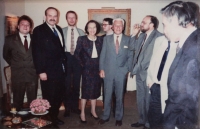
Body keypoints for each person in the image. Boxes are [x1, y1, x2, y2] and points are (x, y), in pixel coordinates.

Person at [160, 1, 200, 129]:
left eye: (164, 25)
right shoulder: (190, 41)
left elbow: (190, 99)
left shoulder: (194, 49)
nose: (164, 30)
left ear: (177, 21)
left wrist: (178, 125)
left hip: (181, 120)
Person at [32, 7, 67, 127]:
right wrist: (40, 71)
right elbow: (36, 52)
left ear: (57, 17)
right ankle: (49, 122)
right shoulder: (39, 30)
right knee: (49, 97)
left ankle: (54, 117)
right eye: (50, 15)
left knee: (58, 96)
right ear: (45, 16)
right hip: (47, 71)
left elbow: (61, 50)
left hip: (60, 70)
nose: (52, 18)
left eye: (55, 16)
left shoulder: (58, 29)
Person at [129, 15, 162, 129]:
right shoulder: (142, 35)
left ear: (152, 25)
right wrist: (134, 34)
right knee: (140, 99)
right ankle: (142, 120)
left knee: (148, 101)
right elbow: (131, 47)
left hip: (149, 74)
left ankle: (148, 124)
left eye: (144, 22)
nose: (141, 24)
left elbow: (156, 58)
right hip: (139, 72)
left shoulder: (159, 37)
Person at [98, 18, 133, 127]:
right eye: (116, 25)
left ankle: (118, 117)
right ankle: (105, 116)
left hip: (121, 73)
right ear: (112, 27)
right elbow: (102, 55)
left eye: (120, 26)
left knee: (119, 96)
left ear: (123, 27)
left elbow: (130, 56)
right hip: (108, 72)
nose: (118, 28)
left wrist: (126, 69)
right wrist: (101, 69)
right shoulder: (107, 39)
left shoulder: (128, 39)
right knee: (107, 95)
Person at [3, 15, 38, 111]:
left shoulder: (35, 38)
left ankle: (32, 121)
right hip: (18, 74)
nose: (25, 26)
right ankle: (17, 121)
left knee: (33, 101)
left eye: (28, 25)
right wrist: (16, 64)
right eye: (23, 24)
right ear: (18, 26)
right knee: (17, 100)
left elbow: (39, 55)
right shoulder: (10, 39)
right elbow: (6, 55)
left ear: (30, 27)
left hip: (32, 73)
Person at [74, 20, 103, 123]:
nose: (92, 30)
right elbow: (76, 54)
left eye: (94, 27)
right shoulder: (82, 39)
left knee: (95, 90)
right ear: (86, 29)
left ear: (97, 28)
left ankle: (93, 111)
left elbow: (103, 55)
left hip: (97, 69)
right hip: (86, 69)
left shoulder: (100, 40)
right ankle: (82, 113)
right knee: (85, 92)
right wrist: (84, 65)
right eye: (90, 27)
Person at [146, 36, 177, 129]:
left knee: (168, 117)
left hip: (170, 87)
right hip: (155, 85)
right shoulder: (159, 40)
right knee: (153, 116)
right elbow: (153, 61)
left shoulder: (181, 44)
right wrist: (150, 81)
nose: (165, 30)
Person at [62, 10, 85, 117]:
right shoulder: (61, 31)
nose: (71, 19)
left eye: (73, 17)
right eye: (69, 18)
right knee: (66, 85)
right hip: (66, 58)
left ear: (76, 19)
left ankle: (75, 107)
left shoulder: (81, 32)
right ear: (66, 19)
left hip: (77, 59)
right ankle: (67, 108)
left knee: (76, 84)